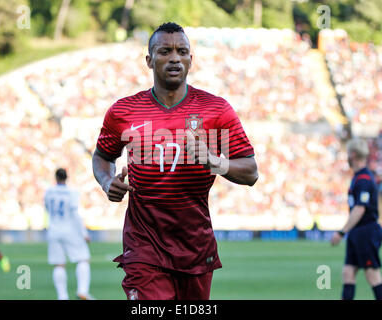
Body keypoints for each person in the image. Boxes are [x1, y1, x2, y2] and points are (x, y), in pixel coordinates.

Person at [92, 22, 258, 300]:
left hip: (195, 247)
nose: (174, 58)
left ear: (191, 59)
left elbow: (250, 171)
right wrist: (108, 181)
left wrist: (215, 162)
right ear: (149, 60)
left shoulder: (216, 110)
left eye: (182, 51)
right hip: (143, 246)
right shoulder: (123, 111)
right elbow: (102, 157)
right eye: (165, 51)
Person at [331, 138, 382, 300]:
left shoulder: (363, 179)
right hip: (358, 232)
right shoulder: (358, 177)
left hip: (366, 231)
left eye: (348, 153)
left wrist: (342, 232)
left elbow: (360, 208)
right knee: (348, 272)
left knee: (373, 275)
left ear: (353, 154)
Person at [44, 168, 94, 300]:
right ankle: (82, 291)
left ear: (56, 177)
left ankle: (62, 296)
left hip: (54, 229)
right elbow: (74, 213)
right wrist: (83, 233)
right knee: (83, 258)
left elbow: (47, 209)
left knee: (59, 264)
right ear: (67, 177)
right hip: (69, 229)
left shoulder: (49, 191)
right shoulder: (72, 192)